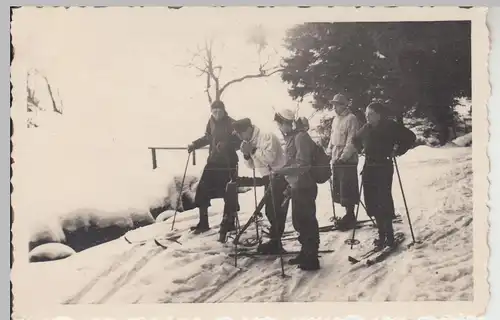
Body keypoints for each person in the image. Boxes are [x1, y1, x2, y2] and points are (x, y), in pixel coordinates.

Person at [351, 102, 416, 249]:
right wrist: (360, 149)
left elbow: (410, 137)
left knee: (383, 201)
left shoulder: (390, 126)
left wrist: (398, 151)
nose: (367, 117)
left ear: (379, 115)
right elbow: (355, 139)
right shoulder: (366, 128)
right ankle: (381, 235)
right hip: (369, 168)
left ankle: (390, 236)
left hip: (383, 167)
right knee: (372, 201)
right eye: (366, 114)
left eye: (371, 114)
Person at [272, 109, 320, 271]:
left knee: (307, 221)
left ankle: (312, 257)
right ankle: (305, 252)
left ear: (287, 123)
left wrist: (282, 171)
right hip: (297, 185)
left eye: (280, 124)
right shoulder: (293, 137)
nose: (279, 128)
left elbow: (303, 164)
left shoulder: (300, 137)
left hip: (305, 185)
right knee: (299, 221)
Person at [232, 118, 288, 254]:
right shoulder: (249, 141)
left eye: (240, 133)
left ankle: (276, 242)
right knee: (271, 210)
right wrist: (246, 155)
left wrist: (252, 149)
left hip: (280, 175)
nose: (239, 136)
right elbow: (252, 165)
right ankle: (275, 240)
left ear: (248, 129)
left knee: (275, 210)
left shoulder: (266, 136)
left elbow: (270, 158)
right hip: (268, 177)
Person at [187, 100, 242, 234]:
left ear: (224, 111)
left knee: (229, 192)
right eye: (214, 111)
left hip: (228, 163)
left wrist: (227, 144)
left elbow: (240, 141)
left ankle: (229, 223)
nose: (217, 113)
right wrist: (194, 144)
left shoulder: (232, 123)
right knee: (202, 189)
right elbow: (208, 137)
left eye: (219, 111)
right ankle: (203, 223)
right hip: (213, 162)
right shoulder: (210, 122)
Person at [326, 93, 362, 231]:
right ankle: (347, 214)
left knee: (347, 186)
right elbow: (332, 137)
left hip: (347, 159)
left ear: (343, 105)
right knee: (339, 187)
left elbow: (352, 140)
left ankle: (350, 214)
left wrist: (344, 157)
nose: (334, 107)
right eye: (333, 105)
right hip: (336, 157)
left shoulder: (351, 119)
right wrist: (329, 153)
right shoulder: (336, 119)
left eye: (337, 105)